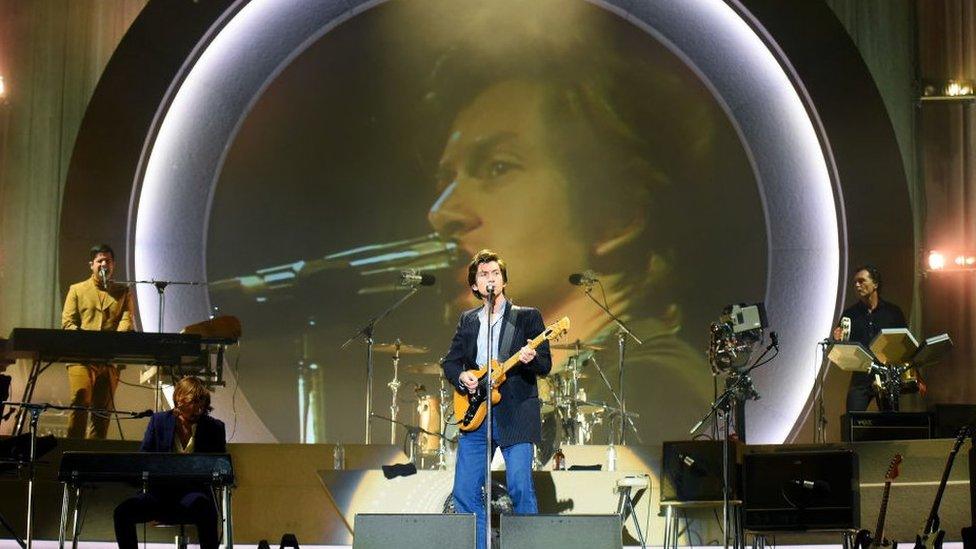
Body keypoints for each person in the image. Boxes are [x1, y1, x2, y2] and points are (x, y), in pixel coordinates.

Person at [440, 249, 552, 549]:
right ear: (475, 285)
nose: (490, 279)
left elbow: (545, 364)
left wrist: (529, 358)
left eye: (495, 274)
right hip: (476, 414)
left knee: (519, 486)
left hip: (515, 413)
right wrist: (463, 377)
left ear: (503, 280)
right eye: (483, 275)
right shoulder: (468, 320)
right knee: (464, 491)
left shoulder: (527, 317)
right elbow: (451, 362)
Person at [114, 376, 226, 549]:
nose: (199, 409)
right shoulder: (158, 421)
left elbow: (220, 466)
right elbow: (143, 458)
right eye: (194, 403)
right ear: (179, 400)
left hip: (194, 494)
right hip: (159, 495)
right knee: (122, 512)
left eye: (202, 404)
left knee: (204, 507)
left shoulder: (214, 427)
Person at [61, 244, 135, 439]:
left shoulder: (123, 292)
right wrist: (84, 342)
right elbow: (68, 323)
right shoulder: (77, 289)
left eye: (108, 261)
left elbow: (127, 320)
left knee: (102, 413)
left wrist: (114, 343)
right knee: (80, 400)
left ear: (114, 265)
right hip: (81, 358)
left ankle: (92, 458)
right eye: (100, 261)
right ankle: (72, 451)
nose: (104, 264)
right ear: (91, 265)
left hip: (109, 360)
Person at [832, 265, 911, 412]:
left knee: (891, 421)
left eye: (862, 281)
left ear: (875, 284)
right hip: (861, 374)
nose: (857, 285)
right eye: (855, 282)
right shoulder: (850, 314)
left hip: (887, 374)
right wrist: (838, 340)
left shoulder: (893, 312)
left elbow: (904, 343)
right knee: (853, 417)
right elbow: (843, 349)